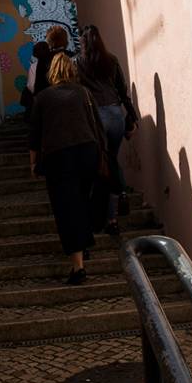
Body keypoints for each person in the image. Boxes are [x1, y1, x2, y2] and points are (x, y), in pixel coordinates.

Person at [29, 51, 107, 285]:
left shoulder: (42, 98)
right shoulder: (84, 93)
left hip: (58, 156)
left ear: (51, 72)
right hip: (87, 151)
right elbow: (98, 125)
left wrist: (33, 163)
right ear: (72, 71)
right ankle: (83, 244)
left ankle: (78, 267)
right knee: (81, 200)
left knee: (67, 209)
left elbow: (34, 136)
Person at [76, 24, 138, 232]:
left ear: (83, 42)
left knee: (100, 165)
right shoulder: (111, 60)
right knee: (111, 159)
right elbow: (122, 90)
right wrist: (133, 118)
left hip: (96, 117)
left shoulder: (78, 62)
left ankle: (106, 216)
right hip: (115, 114)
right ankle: (116, 202)